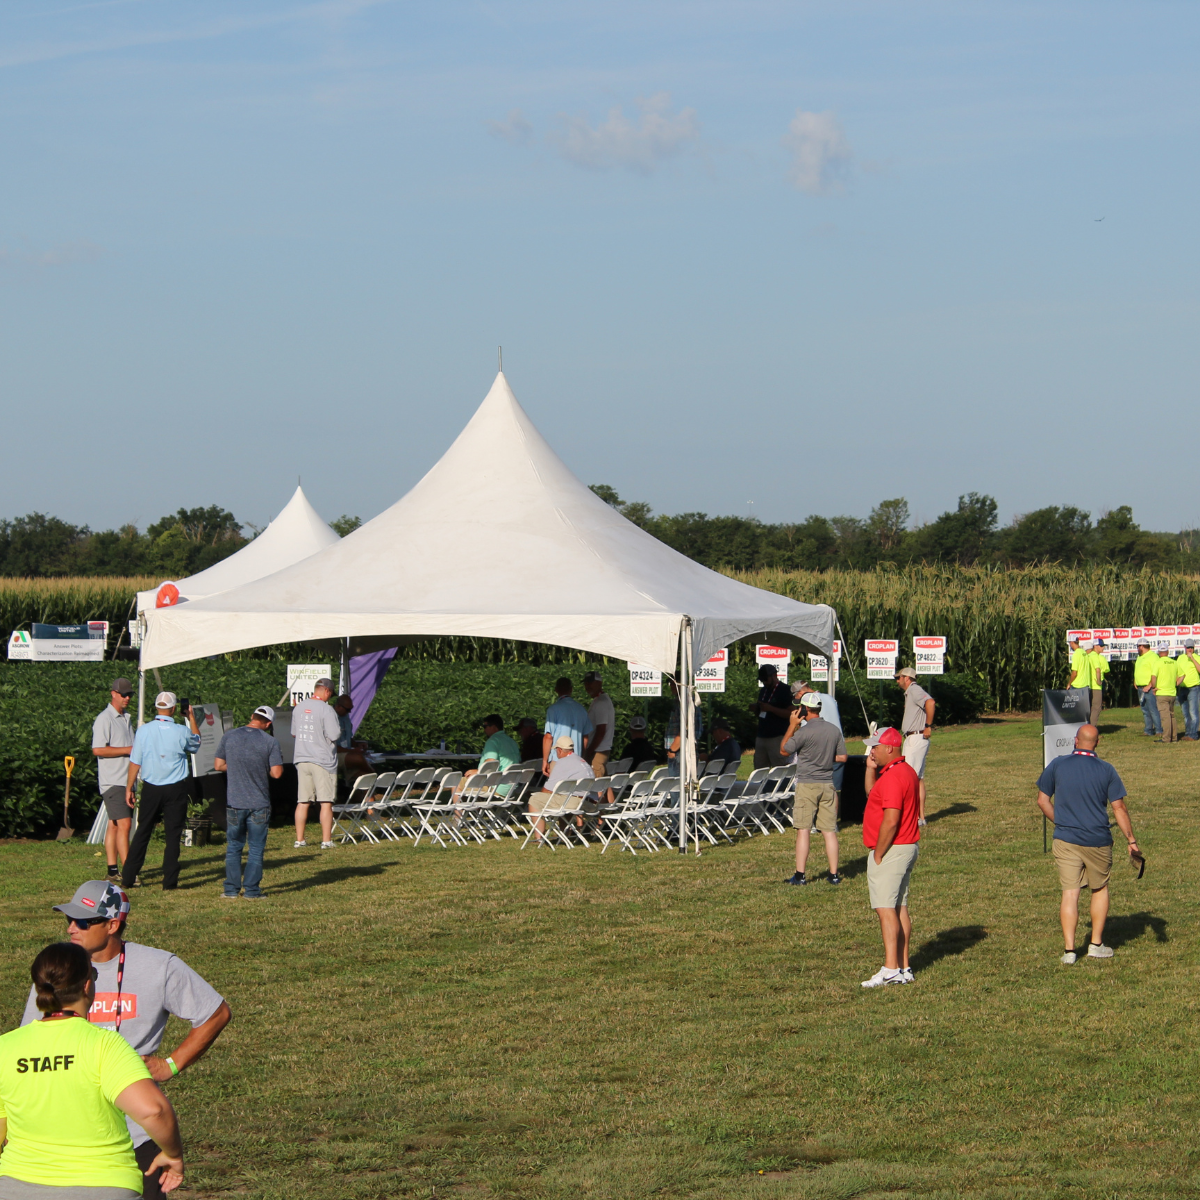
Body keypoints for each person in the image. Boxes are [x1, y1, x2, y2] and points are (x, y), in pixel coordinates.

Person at [22, 881, 230, 1200]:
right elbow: (29, 1042)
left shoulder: (158, 966)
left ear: (112, 924)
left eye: (83, 921)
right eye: (68, 919)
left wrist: (171, 1065)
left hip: (134, 1138)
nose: (71, 928)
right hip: (62, 1136)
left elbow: (214, 1012)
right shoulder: (58, 969)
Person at [2, 941, 185, 1198]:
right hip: (103, 1185)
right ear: (88, 986)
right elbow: (153, 1111)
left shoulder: (5, 1047)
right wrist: (173, 1154)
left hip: (16, 1186)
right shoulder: (106, 1045)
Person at [1035, 724, 1139, 963]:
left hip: (1065, 839)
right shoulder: (1107, 770)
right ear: (1098, 742)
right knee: (1099, 888)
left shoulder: (1058, 765)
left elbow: (1042, 800)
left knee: (1069, 893)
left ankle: (1070, 951)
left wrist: (1061, 822)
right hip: (1097, 840)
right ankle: (1095, 944)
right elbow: (1119, 808)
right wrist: (1131, 840)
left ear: (1075, 740)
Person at [859, 727, 921, 988]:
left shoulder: (895, 777)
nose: (871, 750)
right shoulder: (902, 771)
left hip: (892, 849)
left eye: (875, 746)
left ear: (890, 748)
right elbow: (873, 794)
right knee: (899, 908)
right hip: (906, 847)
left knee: (885, 910)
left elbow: (891, 819)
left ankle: (891, 968)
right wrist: (870, 768)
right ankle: (904, 966)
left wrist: (879, 853)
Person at [122, 693, 200, 893]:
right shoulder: (181, 731)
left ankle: (128, 877)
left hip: (151, 787)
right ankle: (169, 882)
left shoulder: (144, 731)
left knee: (143, 831)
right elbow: (196, 743)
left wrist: (129, 787)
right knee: (173, 835)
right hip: (175, 787)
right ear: (174, 709)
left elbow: (135, 761)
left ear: (157, 708)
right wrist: (191, 717)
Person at [214, 705, 283, 900]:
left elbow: (218, 765)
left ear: (252, 716)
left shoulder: (229, 736)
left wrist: (236, 767)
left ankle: (230, 889)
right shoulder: (270, 742)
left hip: (235, 801)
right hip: (259, 802)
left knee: (234, 846)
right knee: (256, 848)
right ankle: (252, 890)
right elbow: (277, 773)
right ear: (268, 724)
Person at [781, 693, 848, 886]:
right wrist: (825, 758)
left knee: (803, 830)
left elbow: (784, 750)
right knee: (829, 831)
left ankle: (800, 875)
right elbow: (842, 757)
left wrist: (792, 725)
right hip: (828, 784)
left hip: (807, 784)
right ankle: (834, 874)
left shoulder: (803, 732)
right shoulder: (834, 730)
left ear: (804, 709)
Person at [93, 677, 135, 883]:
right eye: (123, 694)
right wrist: (128, 750)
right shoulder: (104, 719)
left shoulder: (127, 718)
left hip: (126, 780)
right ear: (113, 693)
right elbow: (98, 749)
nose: (127, 698)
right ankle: (128, 872)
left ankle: (112, 870)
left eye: (130, 695)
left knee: (114, 825)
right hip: (113, 780)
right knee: (125, 824)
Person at [293, 677, 342, 849]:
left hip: (301, 758)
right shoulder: (327, 710)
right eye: (331, 694)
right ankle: (326, 841)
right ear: (327, 691)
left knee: (303, 801)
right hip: (322, 760)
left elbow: (294, 733)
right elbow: (335, 735)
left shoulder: (298, 707)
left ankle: (300, 840)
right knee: (326, 801)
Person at [529, 735, 594, 841]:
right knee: (562, 797)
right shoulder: (581, 760)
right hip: (585, 802)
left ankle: (538, 837)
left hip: (573, 802)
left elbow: (548, 789)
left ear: (559, 750)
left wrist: (538, 795)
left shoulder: (563, 762)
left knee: (535, 800)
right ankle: (565, 833)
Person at [895, 667, 935, 824]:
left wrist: (928, 725)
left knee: (909, 777)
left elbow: (930, 702)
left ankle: (910, 817)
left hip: (916, 737)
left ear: (907, 678)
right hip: (915, 737)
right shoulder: (911, 692)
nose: (897, 680)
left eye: (899, 677)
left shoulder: (914, 690)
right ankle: (920, 817)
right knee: (918, 778)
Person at [542, 678, 593, 775]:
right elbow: (585, 737)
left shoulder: (553, 709)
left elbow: (548, 737)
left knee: (556, 789)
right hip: (576, 759)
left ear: (556, 689)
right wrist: (581, 756)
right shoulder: (581, 709)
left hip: (558, 760)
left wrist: (545, 760)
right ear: (571, 689)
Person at [749, 664, 792, 768]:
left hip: (777, 736)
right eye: (762, 680)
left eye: (765, 679)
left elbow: (790, 714)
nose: (764, 682)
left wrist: (771, 709)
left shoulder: (785, 690)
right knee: (759, 768)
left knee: (779, 767)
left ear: (774, 676)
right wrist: (756, 709)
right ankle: (762, 784)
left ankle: (780, 784)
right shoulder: (764, 691)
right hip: (762, 735)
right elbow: (761, 713)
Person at [664, 678, 703, 775]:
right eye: (671, 684)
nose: (672, 686)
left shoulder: (684, 703)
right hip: (684, 750)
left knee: (676, 787)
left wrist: (672, 750)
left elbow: (686, 729)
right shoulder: (687, 701)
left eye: (675, 683)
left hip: (681, 751)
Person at [582, 672, 615, 777]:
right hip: (600, 750)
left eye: (591, 683)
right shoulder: (600, 700)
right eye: (586, 683)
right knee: (604, 785)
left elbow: (601, 730)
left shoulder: (601, 702)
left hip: (598, 751)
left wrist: (589, 751)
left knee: (597, 788)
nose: (587, 686)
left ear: (599, 683)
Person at [1133, 638, 1163, 738]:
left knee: (1153, 710)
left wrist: (1150, 685)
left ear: (1142, 646)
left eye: (1138, 646)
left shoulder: (1153, 657)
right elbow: (1138, 670)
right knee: (1145, 710)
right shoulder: (1140, 657)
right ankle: (1148, 730)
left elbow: (1156, 672)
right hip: (1141, 687)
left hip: (1149, 688)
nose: (1137, 648)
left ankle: (1159, 730)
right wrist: (1135, 680)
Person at [1151, 642, 1179, 744]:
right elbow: (1182, 675)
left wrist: (1154, 687)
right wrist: (1176, 684)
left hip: (1161, 692)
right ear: (1167, 651)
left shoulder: (1157, 663)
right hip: (1172, 692)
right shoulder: (1174, 662)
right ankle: (1174, 737)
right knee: (1172, 716)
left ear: (1159, 652)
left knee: (1165, 717)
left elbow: (1154, 677)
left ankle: (1166, 738)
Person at [1177, 639, 1200, 741]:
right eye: (1188, 648)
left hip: (1193, 688)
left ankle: (1193, 734)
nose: (1190, 649)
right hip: (1182, 688)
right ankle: (1188, 733)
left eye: (1191, 648)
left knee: (1193, 712)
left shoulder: (1197, 657)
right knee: (1185, 713)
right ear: (1184, 648)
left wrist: (1192, 659)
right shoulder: (1180, 658)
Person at [1085, 640, 1110, 725]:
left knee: (1089, 708)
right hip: (1096, 685)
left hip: (1088, 684)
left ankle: (1087, 728)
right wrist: (1099, 681)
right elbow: (1098, 670)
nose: (1103, 647)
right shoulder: (1095, 656)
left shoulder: (1087, 655)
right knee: (1096, 708)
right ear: (1095, 646)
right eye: (1101, 646)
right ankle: (1092, 729)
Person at [1066, 635, 1091, 706]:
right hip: (1085, 684)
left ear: (1072, 643)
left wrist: (1069, 683)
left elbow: (1074, 673)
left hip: (1077, 685)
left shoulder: (1076, 654)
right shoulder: (1084, 653)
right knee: (1083, 708)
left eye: (1070, 643)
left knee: (1074, 708)